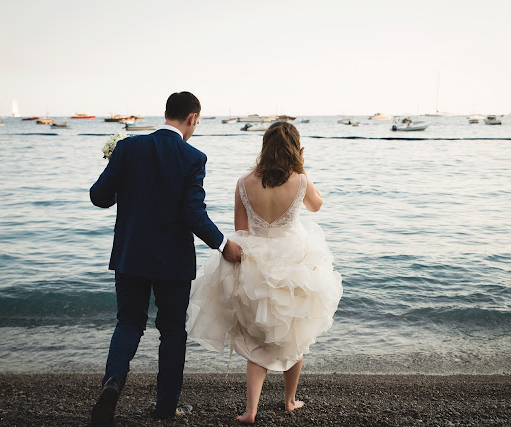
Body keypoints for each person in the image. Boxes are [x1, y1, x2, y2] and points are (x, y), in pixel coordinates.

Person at [89, 91, 242, 426]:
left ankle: (113, 382)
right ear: (191, 119)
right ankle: (166, 407)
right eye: (196, 123)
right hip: (172, 262)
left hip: (130, 255)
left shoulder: (128, 148)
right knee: (172, 331)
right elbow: (193, 215)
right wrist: (223, 244)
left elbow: (98, 196)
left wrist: (121, 177)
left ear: (165, 113)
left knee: (129, 322)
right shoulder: (193, 157)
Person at [186, 121, 342, 423]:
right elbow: (317, 206)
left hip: (255, 264)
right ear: (295, 149)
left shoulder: (244, 182)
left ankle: (251, 410)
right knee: (295, 332)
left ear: (264, 147)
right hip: (295, 263)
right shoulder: (300, 180)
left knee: (255, 338)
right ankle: (290, 400)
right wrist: (303, 167)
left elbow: (241, 230)